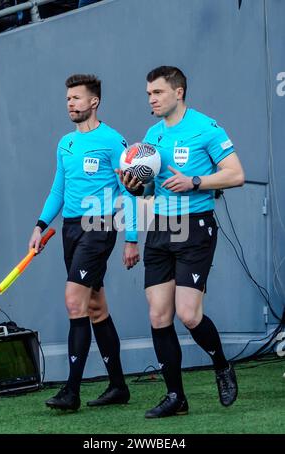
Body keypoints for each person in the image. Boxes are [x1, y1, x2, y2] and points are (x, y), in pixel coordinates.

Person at [117, 65, 245, 418]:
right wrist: (134, 186)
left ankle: (221, 365)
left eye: (157, 93)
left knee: (188, 314)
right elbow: (149, 188)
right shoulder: (151, 135)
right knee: (159, 315)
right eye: (148, 94)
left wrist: (195, 181)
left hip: (195, 227)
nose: (151, 100)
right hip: (160, 227)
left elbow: (237, 174)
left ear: (178, 92)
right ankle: (176, 397)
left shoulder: (205, 128)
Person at [29, 73, 140, 411]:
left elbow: (129, 194)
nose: (70, 104)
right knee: (94, 307)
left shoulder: (113, 142)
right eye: (67, 99)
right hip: (70, 229)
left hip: (100, 224)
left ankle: (71, 392)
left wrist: (131, 240)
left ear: (94, 101)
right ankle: (119, 386)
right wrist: (40, 225)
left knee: (74, 302)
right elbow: (58, 190)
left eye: (76, 98)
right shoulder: (66, 143)